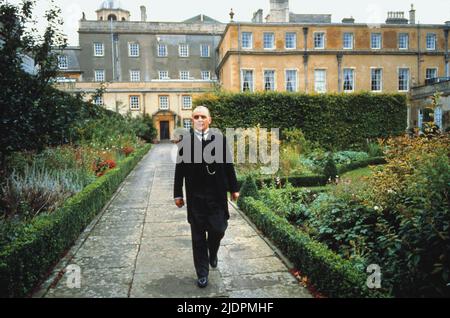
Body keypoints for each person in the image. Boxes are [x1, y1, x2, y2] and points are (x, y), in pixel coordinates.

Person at [173, 106, 239, 288]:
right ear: (192, 120)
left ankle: (214, 251)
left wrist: (234, 188)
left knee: (218, 229)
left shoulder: (219, 139)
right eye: (196, 116)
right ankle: (202, 273)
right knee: (198, 237)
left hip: (217, 196)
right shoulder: (184, 142)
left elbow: (228, 165)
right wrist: (178, 193)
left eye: (203, 116)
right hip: (196, 197)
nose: (200, 119)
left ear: (209, 120)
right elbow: (179, 170)